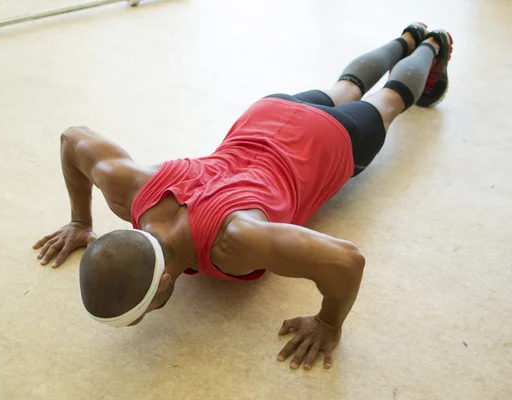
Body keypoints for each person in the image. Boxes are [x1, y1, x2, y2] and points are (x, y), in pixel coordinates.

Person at [33, 23, 453, 370]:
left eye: (136, 318)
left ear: (163, 285)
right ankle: (409, 38)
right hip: (267, 115)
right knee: (345, 88)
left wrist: (328, 323)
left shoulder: (235, 242)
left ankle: (434, 43)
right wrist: (81, 222)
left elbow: (347, 260)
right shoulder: (131, 188)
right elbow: (74, 138)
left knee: (388, 100)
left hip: (328, 142)